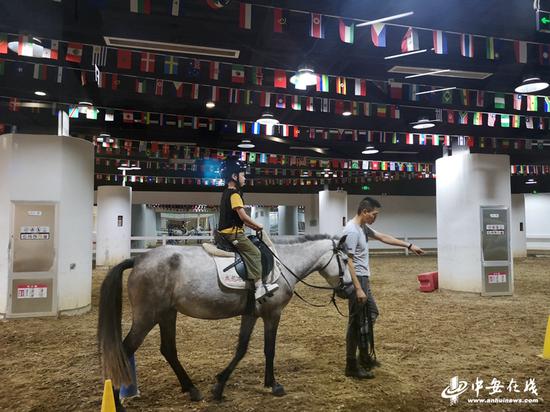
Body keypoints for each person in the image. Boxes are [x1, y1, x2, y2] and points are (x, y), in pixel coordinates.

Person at [343, 196, 425, 379]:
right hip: (358, 280)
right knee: (356, 322)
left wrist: (409, 245)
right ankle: (351, 365)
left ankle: (363, 356)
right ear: (364, 212)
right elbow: (348, 261)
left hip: (364, 279)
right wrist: (357, 288)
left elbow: (381, 236)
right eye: (374, 214)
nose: (375, 217)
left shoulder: (362, 227)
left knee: (371, 314)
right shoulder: (352, 231)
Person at [218, 156, 279, 301]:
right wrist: (258, 226)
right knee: (255, 253)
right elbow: (243, 217)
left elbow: (241, 219)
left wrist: (253, 226)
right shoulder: (234, 195)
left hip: (226, 232)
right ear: (234, 176)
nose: (245, 178)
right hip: (233, 235)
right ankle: (259, 287)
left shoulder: (226, 192)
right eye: (243, 175)